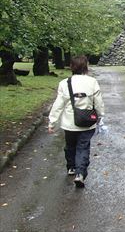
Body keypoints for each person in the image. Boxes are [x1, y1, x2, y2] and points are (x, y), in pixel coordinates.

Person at [48, 55, 105, 188]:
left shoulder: (64, 83)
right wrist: (101, 116)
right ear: (86, 66)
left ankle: (71, 168)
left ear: (71, 67)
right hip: (87, 123)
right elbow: (99, 103)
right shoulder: (92, 82)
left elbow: (58, 105)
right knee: (83, 147)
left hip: (69, 124)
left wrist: (52, 123)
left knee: (70, 145)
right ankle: (80, 173)